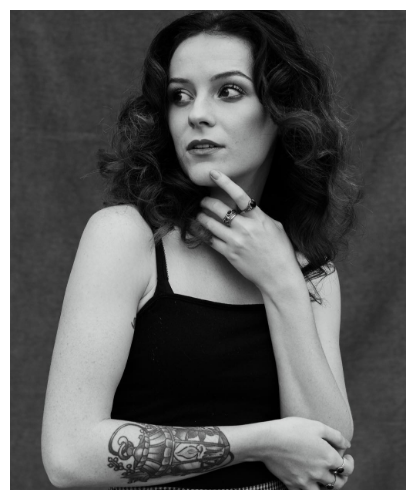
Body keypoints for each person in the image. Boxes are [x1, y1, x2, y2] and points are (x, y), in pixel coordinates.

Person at [41, 11, 360, 490]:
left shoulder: (313, 270)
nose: (196, 114)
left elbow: (327, 453)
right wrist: (261, 441)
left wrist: (281, 283)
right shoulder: (127, 237)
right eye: (180, 95)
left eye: (228, 91)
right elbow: (68, 455)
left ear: (281, 110)